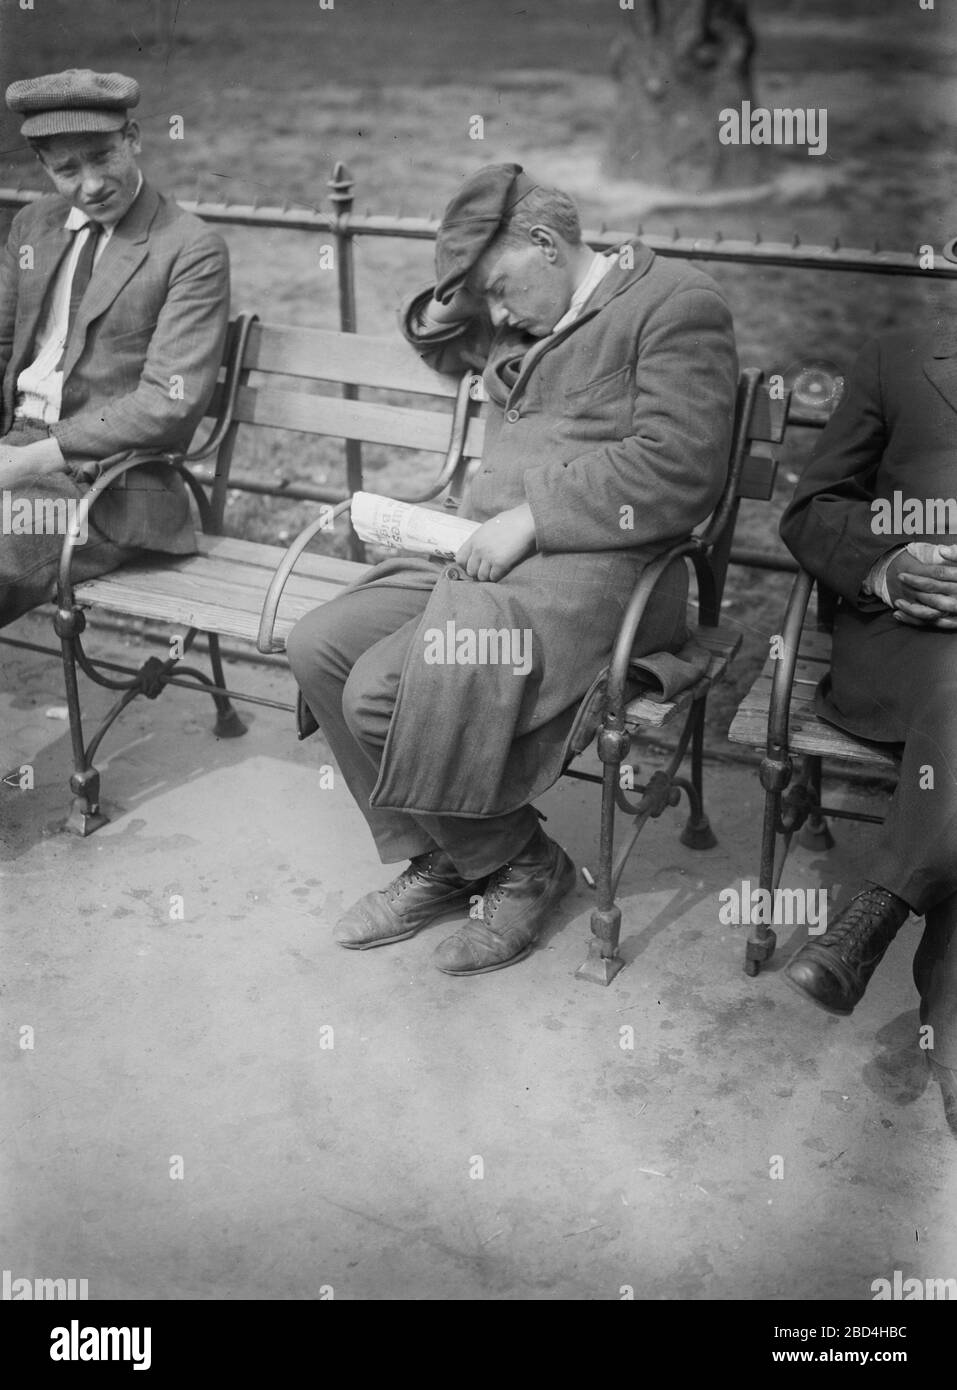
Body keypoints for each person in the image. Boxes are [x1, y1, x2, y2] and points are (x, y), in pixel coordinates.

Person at [287, 163, 738, 976]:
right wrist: (467, 282)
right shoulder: (526, 314)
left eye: (499, 290)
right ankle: (451, 853)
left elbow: (681, 466)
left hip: (607, 575)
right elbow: (436, 336)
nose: (496, 314)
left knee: (380, 692)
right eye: (488, 299)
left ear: (543, 244)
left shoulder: (676, 303)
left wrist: (533, 517)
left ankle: (523, 866)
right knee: (319, 643)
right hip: (490, 558)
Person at [780, 323, 957, 1134]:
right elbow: (814, 509)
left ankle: (877, 910)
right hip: (903, 634)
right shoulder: (898, 358)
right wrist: (885, 566)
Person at [0, 68, 230, 627]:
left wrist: (33, 457)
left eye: (103, 157)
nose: (91, 184)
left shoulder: (189, 248)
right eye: (67, 169)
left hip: (110, 485)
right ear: (44, 168)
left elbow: (167, 403)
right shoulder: (34, 226)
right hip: (14, 457)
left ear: (132, 140)